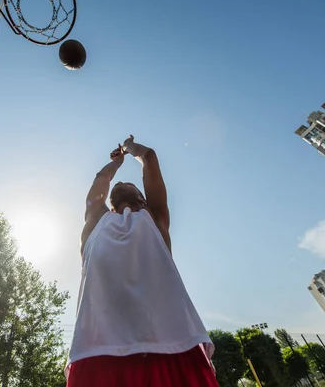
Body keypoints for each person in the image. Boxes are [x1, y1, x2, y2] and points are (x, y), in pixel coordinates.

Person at [65, 135, 219, 387]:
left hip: (174, 346)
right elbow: (100, 180)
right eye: (120, 182)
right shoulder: (96, 223)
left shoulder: (154, 218)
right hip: (97, 353)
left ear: (143, 198)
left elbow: (148, 157)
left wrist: (128, 147)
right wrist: (118, 162)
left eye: (131, 184)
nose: (123, 182)